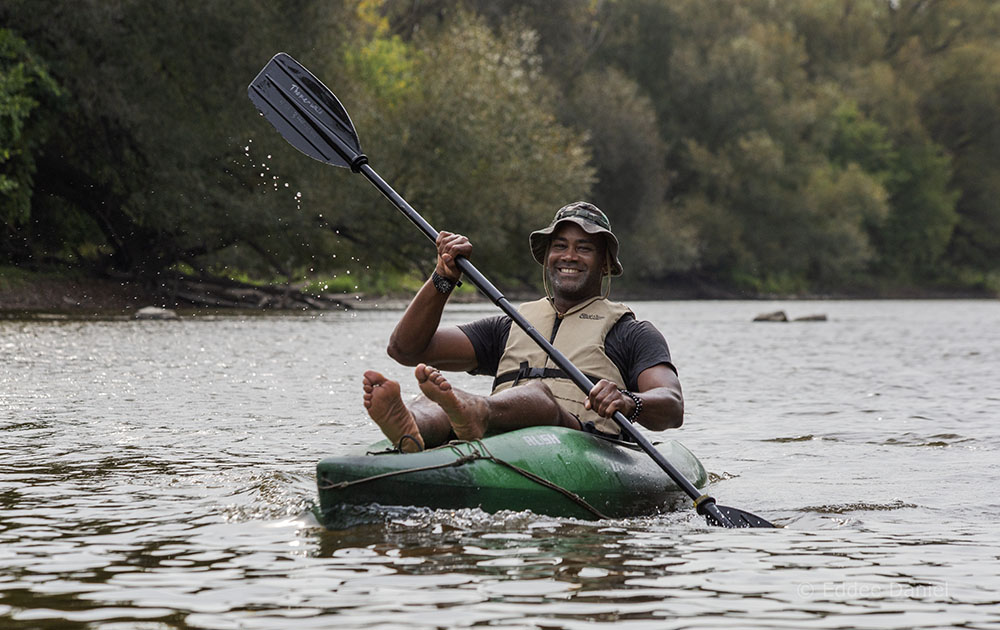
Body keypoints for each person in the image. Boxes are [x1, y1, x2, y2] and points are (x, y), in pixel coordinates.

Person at [362, 201, 683, 452]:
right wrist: (443, 278)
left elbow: (672, 404)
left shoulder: (632, 333)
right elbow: (406, 349)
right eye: (560, 246)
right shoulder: (510, 326)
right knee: (433, 401)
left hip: (584, 440)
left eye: (584, 248)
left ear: (606, 263)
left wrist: (629, 400)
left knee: (538, 395)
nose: (569, 256)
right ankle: (412, 428)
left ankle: (475, 412)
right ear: (547, 258)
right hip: (503, 439)